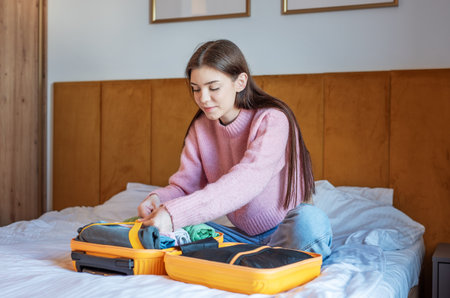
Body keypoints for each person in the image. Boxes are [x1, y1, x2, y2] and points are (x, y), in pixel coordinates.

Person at [138, 39, 332, 258]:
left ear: (240, 82)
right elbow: (186, 187)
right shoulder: (201, 127)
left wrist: (174, 214)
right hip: (239, 237)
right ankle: (257, 259)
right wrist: (159, 200)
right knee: (164, 233)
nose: (203, 98)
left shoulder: (272, 119)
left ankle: (265, 258)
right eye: (195, 89)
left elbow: (247, 180)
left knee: (310, 222)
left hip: (286, 232)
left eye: (213, 88)